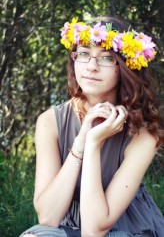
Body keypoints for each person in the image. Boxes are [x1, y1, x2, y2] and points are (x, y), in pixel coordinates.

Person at [20, 16, 164, 237]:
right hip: (68, 226)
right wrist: (81, 141)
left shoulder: (145, 133)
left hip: (126, 228)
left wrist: (94, 143)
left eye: (106, 58)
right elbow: (48, 218)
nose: (91, 67)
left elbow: (95, 229)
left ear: (125, 67)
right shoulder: (50, 121)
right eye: (84, 54)